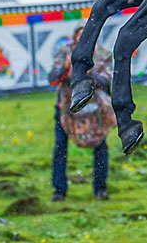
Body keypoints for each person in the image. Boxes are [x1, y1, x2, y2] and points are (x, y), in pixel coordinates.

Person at [48, 27, 114, 202]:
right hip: (66, 108)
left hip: (94, 109)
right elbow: (52, 78)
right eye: (80, 34)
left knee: (100, 146)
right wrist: (66, 67)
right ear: (75, 37)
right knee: (60, 147)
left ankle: (100, 189)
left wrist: (88, 71)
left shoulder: (102, 54)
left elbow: (106, 80)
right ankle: (59, 190)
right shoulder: (65, 52)